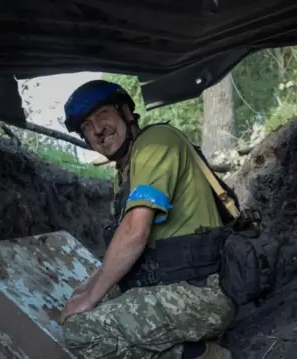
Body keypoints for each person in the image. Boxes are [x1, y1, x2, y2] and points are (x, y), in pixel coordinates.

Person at [59, 79, 237, 359]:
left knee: (81, 334)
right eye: (86, 126)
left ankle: (198, 354)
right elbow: (122, 247)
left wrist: (90, 298)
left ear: (126, 113)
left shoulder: (156, 143)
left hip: (201, 293)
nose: (97, 129)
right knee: (83, 307)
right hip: (171, 285)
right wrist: (84, 290)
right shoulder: (126, 172)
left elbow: (134, 232)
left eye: (103, 115)